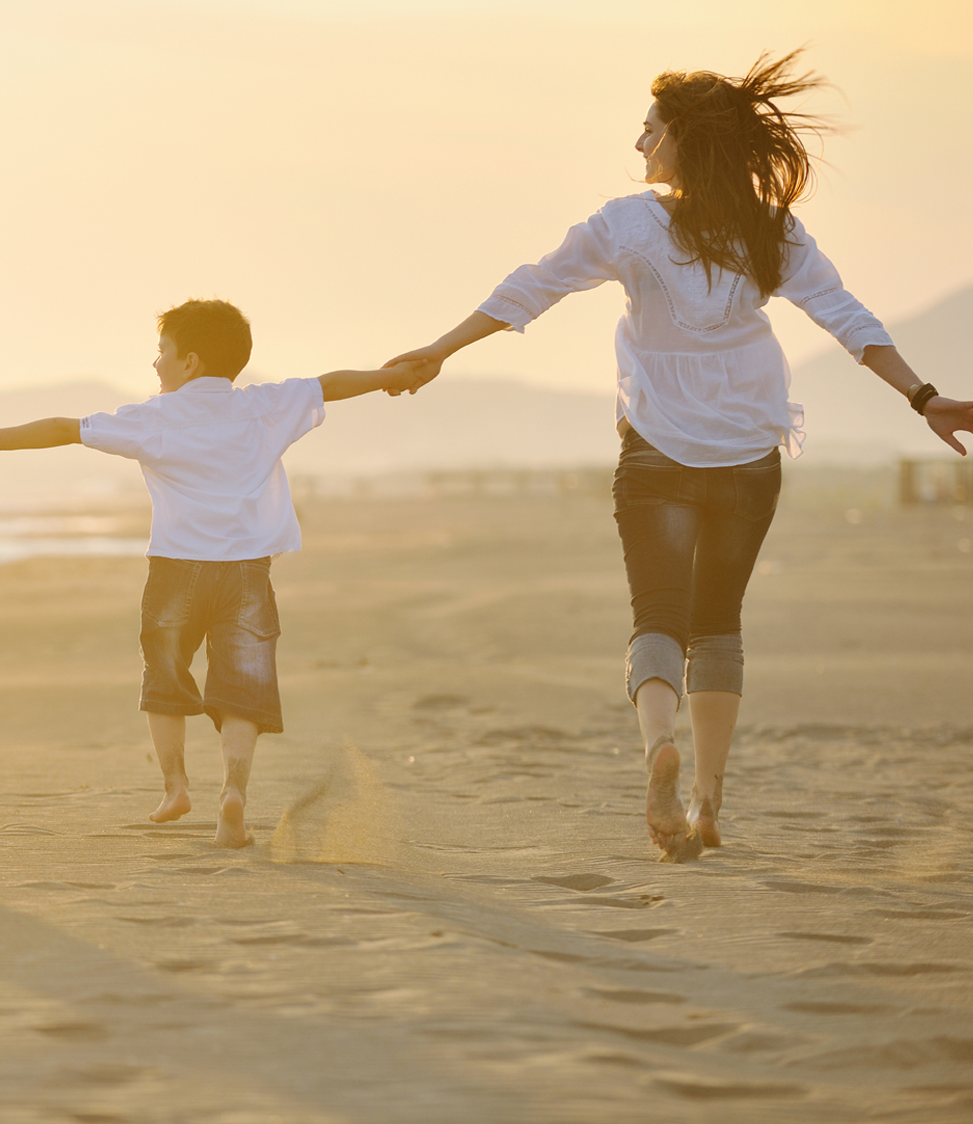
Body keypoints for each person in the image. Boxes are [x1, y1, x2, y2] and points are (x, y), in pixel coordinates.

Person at [384, 51, 973, 862]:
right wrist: (923, 396)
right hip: (747, 454)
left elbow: (534, 286)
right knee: (718, 621)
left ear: (682, 143)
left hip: (658, 447)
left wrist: (442, 347)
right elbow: (846, 314)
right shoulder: (774, 231)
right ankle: (706, 796)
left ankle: (657, 742)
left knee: (657, 616)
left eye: (650, 130)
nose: (638, 144)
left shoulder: (625, 226)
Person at [0, 299, 419, 848]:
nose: (155, 365)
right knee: (243, 687)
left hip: (177, 570)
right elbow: (331, 384)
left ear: (190, 361)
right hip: (246, 573)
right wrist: (392, 375)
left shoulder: (154, 417)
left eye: (161, 353)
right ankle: (234, 793)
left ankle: (175, 786)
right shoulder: (267, 406)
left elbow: (64, 428)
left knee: (167, 677)